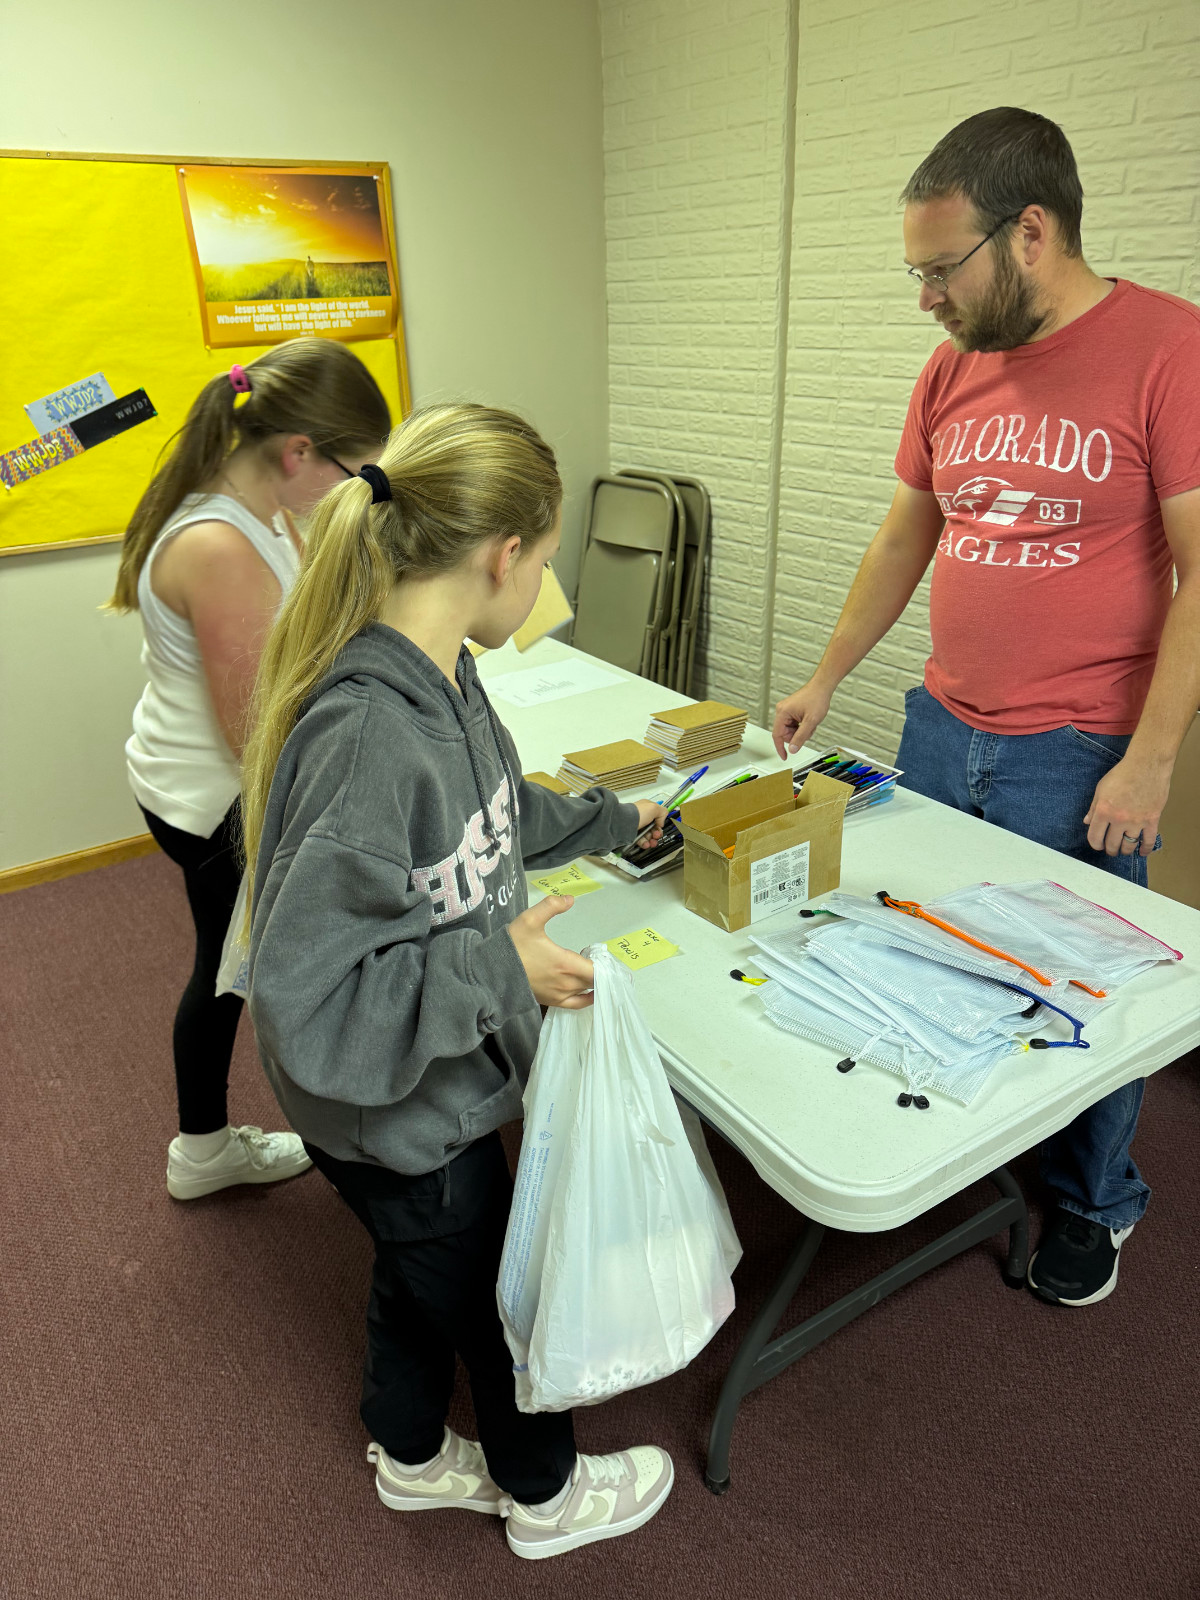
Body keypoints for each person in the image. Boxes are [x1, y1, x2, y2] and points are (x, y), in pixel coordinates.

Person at [773, 108, 1200, 1309]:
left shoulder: (1170, 349)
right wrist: (827, 673)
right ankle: (982, 1144)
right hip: (940, 725)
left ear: (1030, 232)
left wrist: (1151, 756)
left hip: (1081, 749)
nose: (925, 298)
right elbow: (911, 525)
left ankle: (1093, 1200)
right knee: (946, 946)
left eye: (938, 268)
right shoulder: (955, 365)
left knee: (1080, 980)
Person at [240, 403, 676, 1559]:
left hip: (413, 1098)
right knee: (498, 1298)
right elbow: (307, 1000)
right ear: (502, 556)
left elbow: (493, 811)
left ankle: (412, 1452)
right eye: (549, 558)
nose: (548, 583)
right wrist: (501, 965)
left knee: (418, 1270)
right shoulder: (371, 737)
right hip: (397, 1109)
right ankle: (545, 1496)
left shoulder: (447, 676)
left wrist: (610, 818)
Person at [110, 337, 392, 1201]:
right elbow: (257, 731)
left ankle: (211, 1145)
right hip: (213, 799)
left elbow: (301, 634)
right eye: (357, 473)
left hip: (204, 776)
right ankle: (204, 1151)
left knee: (229, 959)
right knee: (233, 966)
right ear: (300, 451)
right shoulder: (217, 545)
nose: (356, 493)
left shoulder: (263, 506)